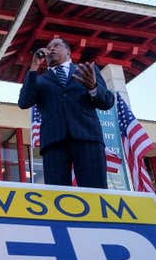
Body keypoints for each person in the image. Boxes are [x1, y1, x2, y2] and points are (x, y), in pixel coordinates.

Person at [18, 38, 114, 188]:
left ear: (68, 52)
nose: (51, 49)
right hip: (53, 142)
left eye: (56, 45)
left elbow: (107, 102)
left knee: (95, 190)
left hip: (87, 138)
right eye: (49, 47)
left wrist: (93, 87)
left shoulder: (87, 71)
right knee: (57, 194)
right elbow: (24, 102)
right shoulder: (39, 80)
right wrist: (34, 66)